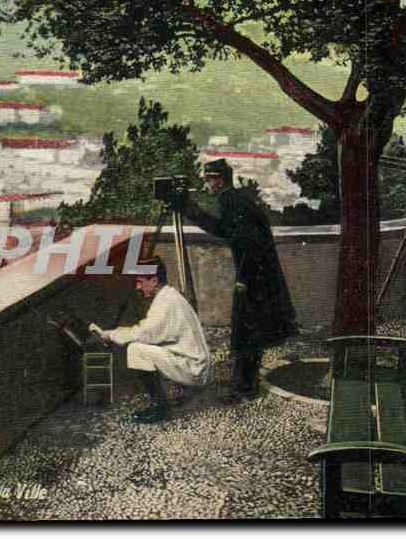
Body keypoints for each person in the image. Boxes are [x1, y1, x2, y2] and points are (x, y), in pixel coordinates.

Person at [181, 158, 298, 404]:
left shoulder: (230, 200)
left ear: (219, 179)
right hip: (259, 275)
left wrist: (243, 279)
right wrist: (191, 211)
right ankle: (245, 384)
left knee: (247, 332)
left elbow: (246, 242)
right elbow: (227, 230)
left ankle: (244, 389)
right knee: (250, 332)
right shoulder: (236, 199)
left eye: (209, 179)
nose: (206, 185)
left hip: (253, 277)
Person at [89, 256, 211, 424]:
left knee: (136, 349)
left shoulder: (166, 302)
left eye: (140, 282)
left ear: (154, 280)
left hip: (193, 369)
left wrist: (110, 335)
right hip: (192, 362)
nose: (137, 287)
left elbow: (144, 333)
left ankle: (161, 409)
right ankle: (167, 399)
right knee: (140, 346)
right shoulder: (169, 295)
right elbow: (147, 330)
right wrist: (115, 333)